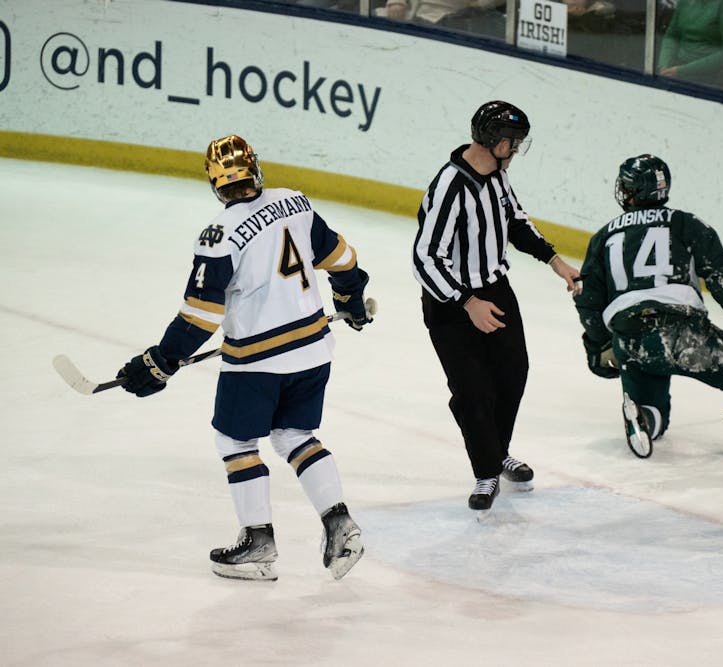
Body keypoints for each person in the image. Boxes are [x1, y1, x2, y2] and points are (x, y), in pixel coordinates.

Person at [116, 135, 373, 581]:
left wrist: (160, 361)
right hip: (314, 351)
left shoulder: (217, 236)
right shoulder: (295, 202)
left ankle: (258, 544)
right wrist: (349, 300)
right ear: (256, 170)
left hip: (257, 362)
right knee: (295, 435)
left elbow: (201, 316)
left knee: (235, 443)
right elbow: (343, 259)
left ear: (215, 183)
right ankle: (340, 523)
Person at [412, 101, 582, 515]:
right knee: (473, 391)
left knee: (512, 374)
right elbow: (425, 258)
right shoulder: (450, 186)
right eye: (513, 143)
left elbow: (516, 222)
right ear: (493, 140)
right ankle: (486, 470)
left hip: (496, 290)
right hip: (451, 304)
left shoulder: (497, 177)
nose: (516, 150)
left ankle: (496, 448)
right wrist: (467, 302)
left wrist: (555, 260)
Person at [573, 154, 723, 461]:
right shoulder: (685, 224)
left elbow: (586, 296)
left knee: (654, 410)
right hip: (680, 329)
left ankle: (643, 420)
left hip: (628, 336)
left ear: (630, 191)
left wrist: (599, 342)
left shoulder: (604, 235)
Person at [656, 0, 723, 89]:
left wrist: (681, 71)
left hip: (711, 79)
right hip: (675, 70)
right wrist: (664, 66)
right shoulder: (685, 2)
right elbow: (672, 36)